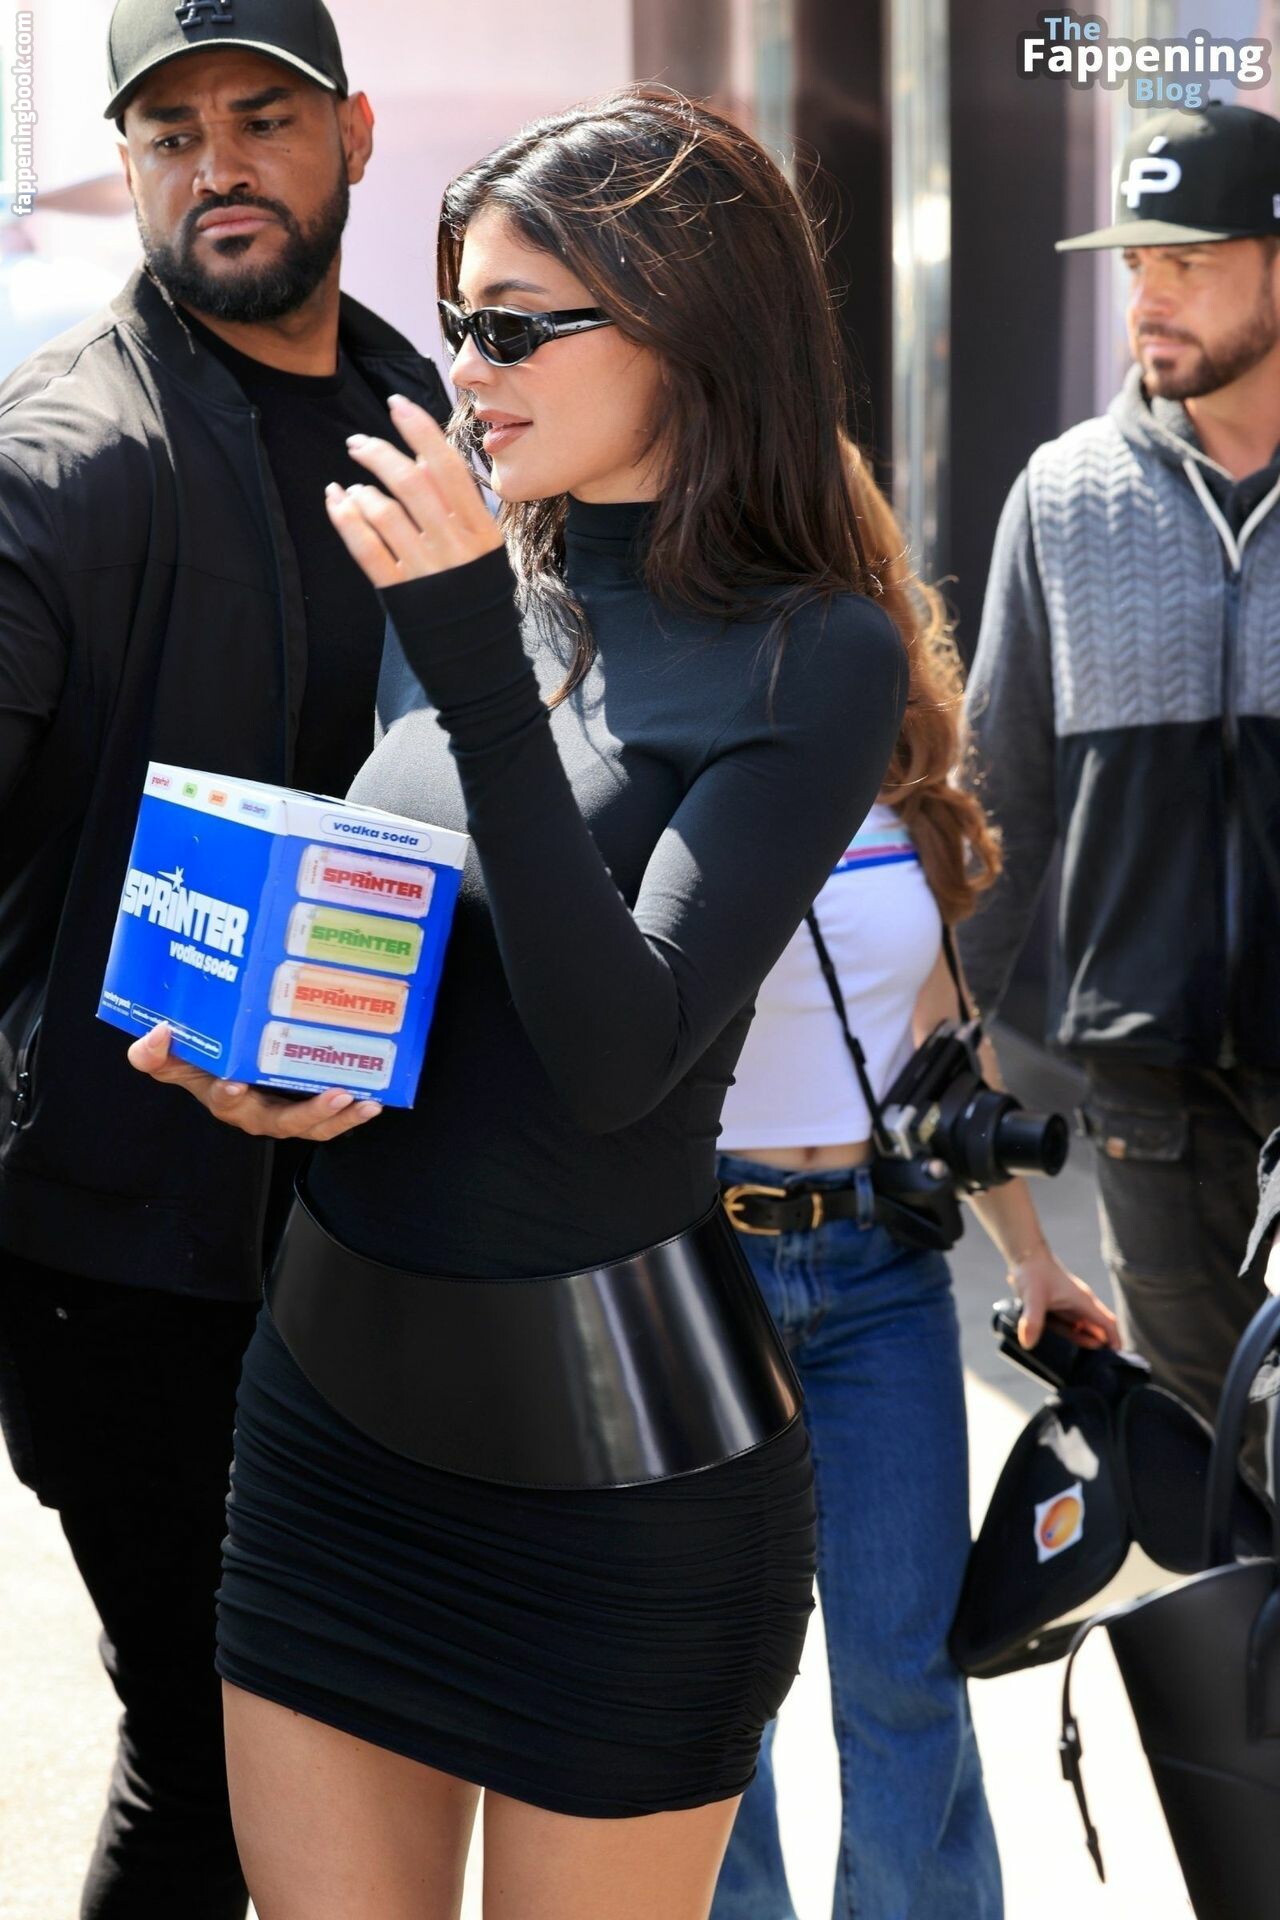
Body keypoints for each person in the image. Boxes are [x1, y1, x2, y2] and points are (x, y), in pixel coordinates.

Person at [128, 86, 907, 1920]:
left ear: (690, 321)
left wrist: (478, 651)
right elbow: (432, 960)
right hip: (328, 1432)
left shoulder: (811, 651)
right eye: (457, 319)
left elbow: (621, 1051)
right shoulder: (478, 592)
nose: (465, 369)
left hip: (620, 1483)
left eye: (514, 326)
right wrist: (278, 1063)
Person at [0, 3, 448, 1914]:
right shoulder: (63, 465)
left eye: (262, 117)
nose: (218, 165)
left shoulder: (433, 415)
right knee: (209, 1759)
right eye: (171, 132)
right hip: (130, 1252)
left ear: (355, 131)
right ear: (128, 163)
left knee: (369, 1747)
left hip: (402, 1219)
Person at [709, 448, 1117, 1920]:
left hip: (879, 1272)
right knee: (720, 1697)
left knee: (907, 1681)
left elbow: (945, 1040)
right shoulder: (665, 742)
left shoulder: (897, 774)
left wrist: (1030, 1256)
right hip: (701, 1274)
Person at [960, 102, 1280, 1476]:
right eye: (1136, 262)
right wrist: (937, 1035)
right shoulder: (1064, 496)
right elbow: (998, 803)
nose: (1147, 295)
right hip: (1147, 1091)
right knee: (1206, 1464)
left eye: (1188, 261)